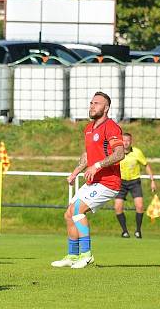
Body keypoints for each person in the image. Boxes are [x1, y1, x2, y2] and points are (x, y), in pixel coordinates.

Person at [51, 92, 125, 269]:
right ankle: (73, 255)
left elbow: (120, 154)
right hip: (94, 181)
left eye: (97, 103)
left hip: (109, 182)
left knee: (77, 210)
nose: (92, 106)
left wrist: (97, 166)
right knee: (69, 214)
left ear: (106, 108)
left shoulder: (111, 127)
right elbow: (87, 156)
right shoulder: (89, 128)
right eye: (91, 102)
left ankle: (86, 255)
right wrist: (76, 172)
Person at [115, 133, 155, 239]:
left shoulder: (137, 152)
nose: (126, 142)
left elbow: (146, 165)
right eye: (123, 140)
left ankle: (138, 230)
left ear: (131, 141)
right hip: (121, 182)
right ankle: (124, 231)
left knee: (140, 206)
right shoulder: (117, 152)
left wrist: (152, 180)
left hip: (134, 182)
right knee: (118, 207)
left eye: (128, 140)